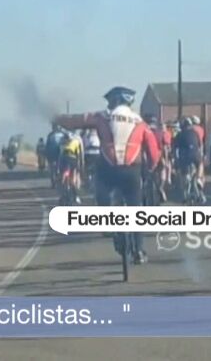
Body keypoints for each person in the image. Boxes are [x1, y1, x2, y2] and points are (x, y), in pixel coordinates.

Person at [53, 86, 162, 264]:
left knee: (101, 190)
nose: (109, 105)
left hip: (109, 170)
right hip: (132, 171)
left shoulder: (102, 117)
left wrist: (57, 118)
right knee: (136, 210)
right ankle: (139, 251)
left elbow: (77, 121)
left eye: (110, 102)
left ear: (115, 101)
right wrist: (150, 168)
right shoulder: (140, 123)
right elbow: (153, 151)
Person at [173, 117, 205, 203]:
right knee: (200, 164)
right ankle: (198, 178)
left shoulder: (179, 134)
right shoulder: (195, 133)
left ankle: (184, 195)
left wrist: (176, 160)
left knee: (183, 175)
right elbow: (200, 146)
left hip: (185, 156)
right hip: (195, 154)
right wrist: (201, 155)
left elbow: (175, 149)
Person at [58, 129, 84, 203]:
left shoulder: (62, 141)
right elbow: (79, 155)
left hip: (64, 159)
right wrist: (80, 165)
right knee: (73, 179)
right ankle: (76, 196)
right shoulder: (76, 141)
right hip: (72, 160)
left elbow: (59, 153)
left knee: (62, 177)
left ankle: (62, 194)